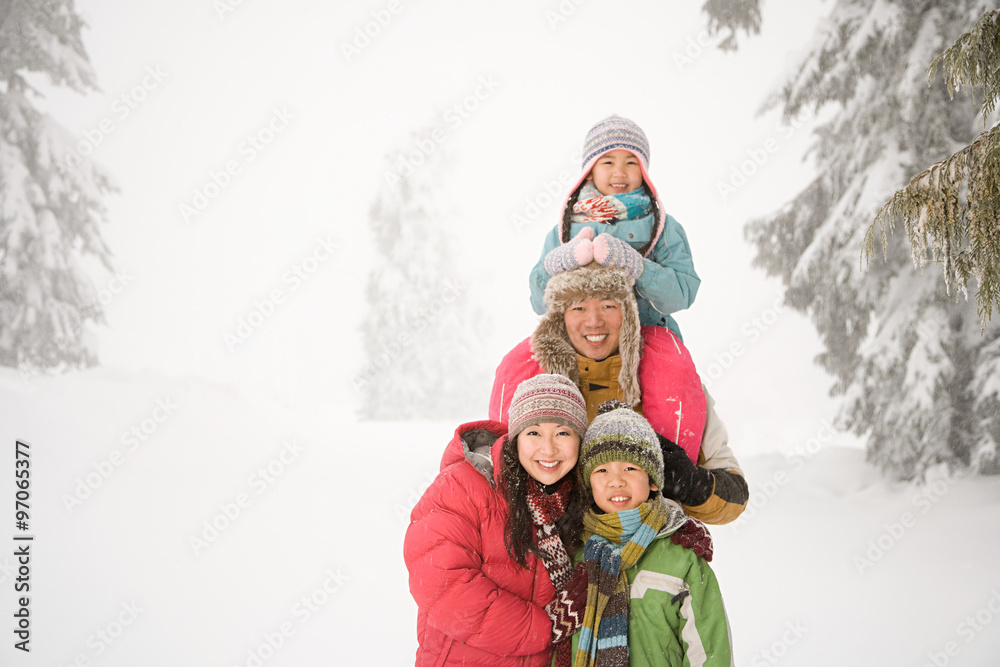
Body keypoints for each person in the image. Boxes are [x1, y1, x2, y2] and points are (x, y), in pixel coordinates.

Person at [491, 263, 748, 525]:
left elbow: (735, 498)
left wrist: (689, 483)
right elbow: (487, 500)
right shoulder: (530, 391)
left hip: (654, 545)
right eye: (578, 307)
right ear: (560, 316)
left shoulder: (672, 380)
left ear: (629, 311)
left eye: (608, 305)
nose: (594, 321)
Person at [404, 374, 591, 666]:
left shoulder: (581, 500)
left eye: (563, 433)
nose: (548, 448)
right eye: (534, 432)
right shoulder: (461, 486)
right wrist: (544, 627)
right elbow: (445, 588)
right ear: (515, 438)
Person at [570, 400, 733, 666]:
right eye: (602, 470)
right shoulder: (575, 552)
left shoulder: (682, 556)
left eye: (630, 468)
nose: (616, 481)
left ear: (654, 480)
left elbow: (710, 650)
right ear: (588, 484)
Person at [529, 115, 700, 340]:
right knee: (519, 360)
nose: (619, 172)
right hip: (584, 342)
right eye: (608, 162)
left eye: (631, 162)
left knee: (675, 364)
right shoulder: (565, 228)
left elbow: (682, 295)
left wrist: (639, 268)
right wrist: (555, 266)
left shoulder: (663, 226)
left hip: (647, 338)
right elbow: (539, 303)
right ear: (590, 170)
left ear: (644, 170)